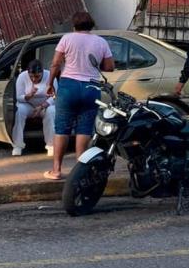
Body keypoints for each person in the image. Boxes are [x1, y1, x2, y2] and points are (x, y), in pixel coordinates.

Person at [44, 11, 114, 180]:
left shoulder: (67, 39)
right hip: (91, 87)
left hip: (69, 87)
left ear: (74, 26)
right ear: (91, 25)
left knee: (62, 128)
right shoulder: (101, 42)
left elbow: (55, 64)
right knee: (84, 129)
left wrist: (50, 83)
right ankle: (79, 172)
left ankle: (56, 170)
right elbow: (110, 67)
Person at [11, 60, 56, 157]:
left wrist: (42, 106)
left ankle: (51, 145)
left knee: (51, 112)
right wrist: (29, 95)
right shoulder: (22, 76)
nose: (34, 79)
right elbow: (18, 97)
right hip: (29, 104)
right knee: (19, 111)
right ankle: (17, 145)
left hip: (45, 105)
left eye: (37, 76)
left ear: (42, 72)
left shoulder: (49, 76)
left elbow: (56, 96)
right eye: (31, 76)